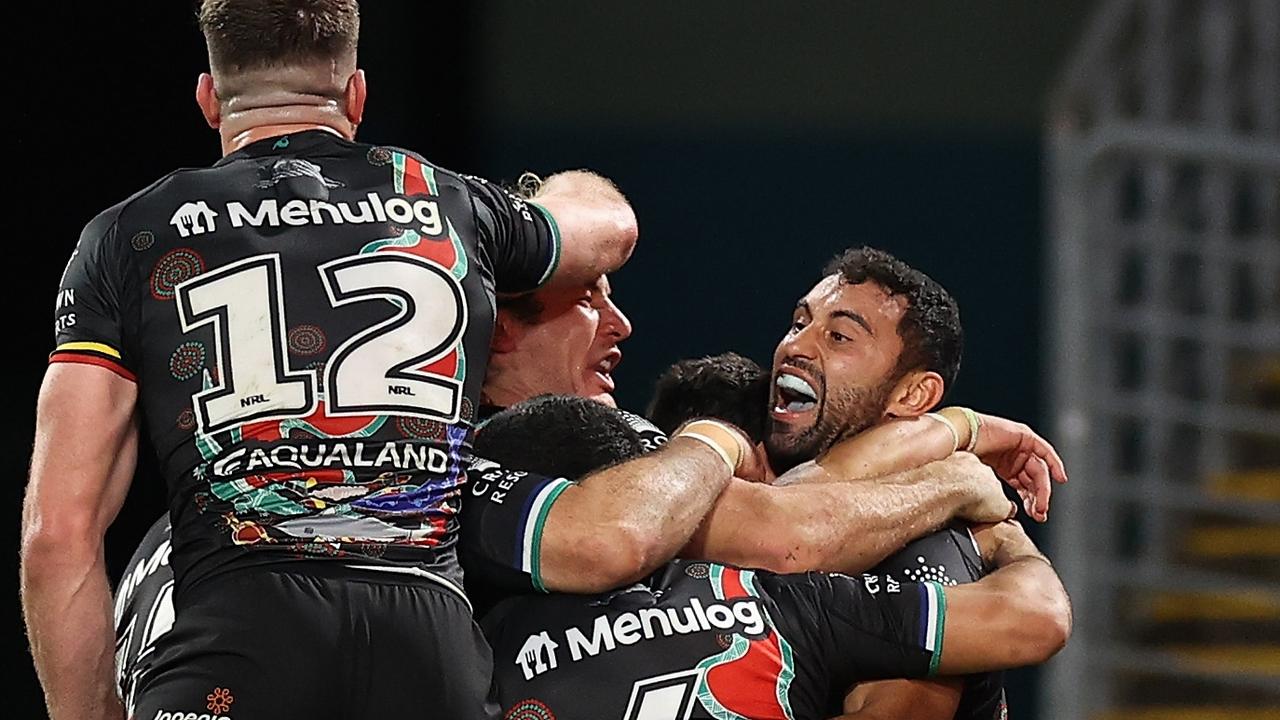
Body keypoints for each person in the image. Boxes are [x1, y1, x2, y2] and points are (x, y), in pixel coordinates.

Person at [20, 1, 640, 718]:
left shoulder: (128, 237)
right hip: (425, 647)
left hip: (242, 640)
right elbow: (611, 229)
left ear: (209, 97)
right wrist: (525, 218)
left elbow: (57, 534)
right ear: (357, 95)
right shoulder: (453, 205)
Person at [472, 395, 1072, 719]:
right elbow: (1033, 619)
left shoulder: (463, 639)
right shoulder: (766, 596)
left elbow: (798, 509)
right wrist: (997, 533)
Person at [647, 351, 1010, 718]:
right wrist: (1012, 545)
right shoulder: (817, 597)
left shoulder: (911, 556)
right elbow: (1037, 616)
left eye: (840, 339)